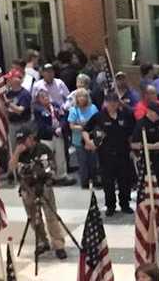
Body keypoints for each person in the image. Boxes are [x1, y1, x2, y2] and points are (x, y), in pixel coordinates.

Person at [9, 126, 66, 259]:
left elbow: (52, 168)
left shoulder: (43, 149)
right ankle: (42, 242)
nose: (22, 143)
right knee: (34, 218)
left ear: (31, 138)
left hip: (44, 186)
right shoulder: (19, 152)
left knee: (51, 216)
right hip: (27, 188)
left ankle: (58, 245)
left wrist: (45, 180)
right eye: (19, 141)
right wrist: (16, 153)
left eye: (24, 140)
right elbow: (11, 169)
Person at [131, 101, 159, 195]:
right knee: (147, 180)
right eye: (157, 113)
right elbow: (134, 144)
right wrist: (152, 146)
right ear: (149, 111)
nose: (158, 116)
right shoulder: (141, 124)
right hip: (146, 157)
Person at [67, 89, 99, 189]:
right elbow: (72, 126)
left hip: (92, 139)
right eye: (80, 96)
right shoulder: (73, 110)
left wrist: (87, 127)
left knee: (93, 161)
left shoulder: (93, 108)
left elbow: (98, 122)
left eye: (84, 96)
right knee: (83, 162)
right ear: (76, 98)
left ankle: (94, 180)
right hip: (78, 140)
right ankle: (84, 182)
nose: (82, 98)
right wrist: (84, 127)